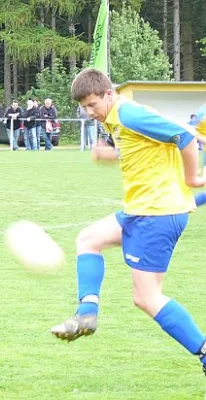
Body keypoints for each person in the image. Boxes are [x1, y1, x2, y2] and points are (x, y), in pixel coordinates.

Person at [50, 68, 206, 376]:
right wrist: (113, 155)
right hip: (141, 210)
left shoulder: (129, 113)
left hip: (157, 213)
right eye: (83, 107)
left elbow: (185, 137)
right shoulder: (118, 117)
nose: (88, 112)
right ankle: (86, 315)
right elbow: (147, 148)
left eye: (92, 104)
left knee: (146, 297)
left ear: (109, 94)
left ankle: (203, 352)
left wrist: (192, 177)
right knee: (88, 239)